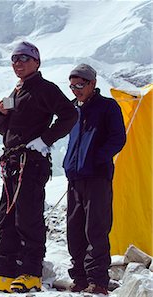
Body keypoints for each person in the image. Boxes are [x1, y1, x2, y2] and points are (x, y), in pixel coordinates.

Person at [0, 41, 77, 293]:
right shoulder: (16, 92)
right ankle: (4, 272)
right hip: (12, 163)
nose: (17, 63)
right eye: (14, 59)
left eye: (23, 58)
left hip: (30, 163)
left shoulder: (45, 89)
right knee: (7, 218)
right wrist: (2, 113)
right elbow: (2, 129)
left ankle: (31, 273)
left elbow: (70, 115)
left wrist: (44, 140)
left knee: (29, 218)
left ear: (36, 62)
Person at [63, 64, 126, 295]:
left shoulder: (107, 107)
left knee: (95, 229)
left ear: (92, 84)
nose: (75, 90)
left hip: (97, 176)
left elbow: (118, 138)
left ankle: (98, 281)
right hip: (75, 177)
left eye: (80, 85)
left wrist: (97, 158)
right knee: (74, 229)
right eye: (72, 85)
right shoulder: (73, 110)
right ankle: (79, 277)